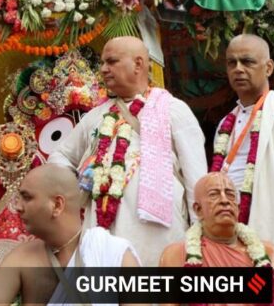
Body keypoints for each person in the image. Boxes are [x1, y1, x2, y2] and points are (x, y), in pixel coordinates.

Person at [48, 36, 207, 266]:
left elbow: (197, 180)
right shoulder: (96, 116)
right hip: (103, 230)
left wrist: (200, 236)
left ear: (139, 64)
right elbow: (61, 156)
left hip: (158, 233)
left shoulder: (173, 110)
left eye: (111, 61)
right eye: (102, 63)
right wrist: (76, 185)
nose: (103, 69)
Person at [0, 163, 156, 306]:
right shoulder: (23, 257)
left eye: (27, 197)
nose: (18, 207)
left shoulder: (115, 254)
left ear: (57, 205)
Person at [160, 172, 274, 306]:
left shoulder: (269, 254)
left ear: (238, 208)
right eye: (214, 195)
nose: (225, 201)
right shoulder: (176, 256)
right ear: (198, 210)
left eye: (230, 195)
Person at [211, 34, 274, 246]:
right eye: (231, 63)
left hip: (270, 221)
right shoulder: (226, 123)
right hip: (231, 229)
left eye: (247, 61)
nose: (238, 69)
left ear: (268, 68)